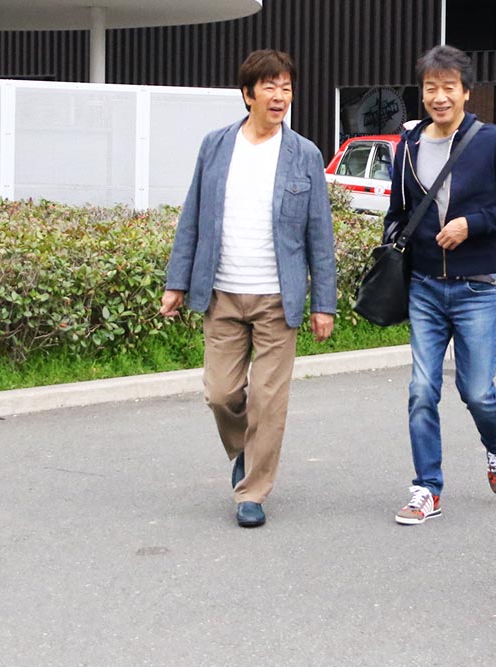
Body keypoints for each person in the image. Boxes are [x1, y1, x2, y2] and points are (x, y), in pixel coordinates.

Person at [159, 49, 337, 529]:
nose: (280, 96)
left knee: (267, 400)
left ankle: (253, 491)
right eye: (270, 87)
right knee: (220, 394)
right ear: (247, 94)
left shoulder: (304, 154)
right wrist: (176, 282)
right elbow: (193, 216)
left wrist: (324, 303)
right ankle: (244, 450)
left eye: (286, 88)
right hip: (221, 293)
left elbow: (320, 234)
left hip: (278, 298)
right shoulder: (216, 146)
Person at [385, 44, 496, 525]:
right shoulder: (408, 145)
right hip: (425, 286)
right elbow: (397, 213)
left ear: (466, 92)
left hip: (477, 286)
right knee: (421, 390)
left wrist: (472, 224)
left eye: (449, 87)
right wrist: (395, 243)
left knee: (476, 391)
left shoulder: (493, 141)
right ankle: (426, 488)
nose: (440, 96)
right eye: (431, 87)